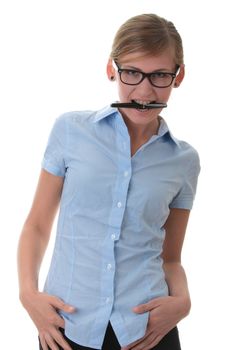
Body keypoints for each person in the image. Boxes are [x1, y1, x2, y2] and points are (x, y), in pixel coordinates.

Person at [17, 13, 200, 350]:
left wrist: (183, 302)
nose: (144, 91)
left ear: (179, 76)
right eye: (132, 72)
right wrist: (28, 295)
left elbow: (170, 258)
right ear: (111, 69)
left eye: (159, 75)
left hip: (148, 331)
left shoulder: (184, 161)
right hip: (66, 330)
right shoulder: (70, 131)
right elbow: (38, 225)